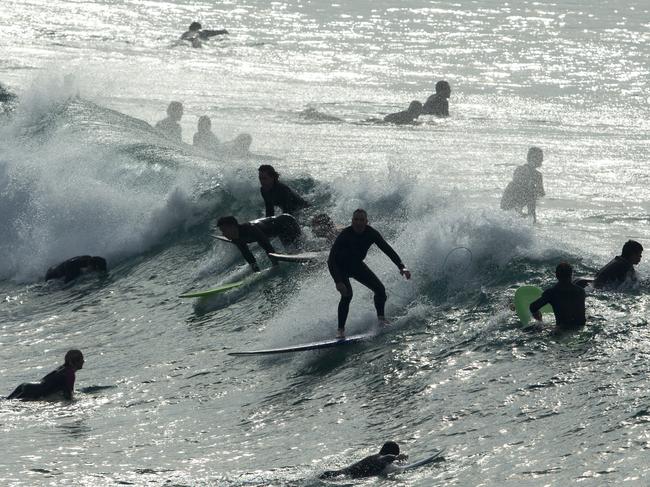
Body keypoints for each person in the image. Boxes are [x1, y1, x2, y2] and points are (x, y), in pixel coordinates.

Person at [328, 209, 411, 338]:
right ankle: (340, 330)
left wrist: (401, 267)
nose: (358, 223)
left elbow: (387, 249)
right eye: (356, 219)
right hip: (340, 267)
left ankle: (381, 320)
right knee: (347, 295)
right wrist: (338, 281)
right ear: (352, 221)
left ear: (366, 222)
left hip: (356, 266)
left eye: (361, 220)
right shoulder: (345, 234)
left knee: (380, 290)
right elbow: (331, 259)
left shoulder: (371, 233)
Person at [217, 214, 302, 271]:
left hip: (286, 222)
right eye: (222, 231)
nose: (223, 234)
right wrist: (257, 271)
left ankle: (309, 257)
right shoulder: (236, 238)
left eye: (224, 230)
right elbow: (247, 254)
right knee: (291, 249)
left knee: (296, 249)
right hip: (279, 230)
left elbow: (266, 245)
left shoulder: (250, 229)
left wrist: (275, 266)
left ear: (232, 227)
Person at [7, 350, 84, 401]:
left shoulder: (62, 369)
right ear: (72, 362)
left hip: (26, 386)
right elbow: (69, 396)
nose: (83, 361)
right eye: (80, 360)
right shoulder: (69, 374)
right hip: (33, 391)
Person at [529, 262, 586, 332]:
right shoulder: (581, 291)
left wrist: (540, 320)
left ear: (556, 275)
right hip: (581, 328)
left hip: (561, 330)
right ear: (571, 274)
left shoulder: (551, 293)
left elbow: (533, 307)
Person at [500, 146, 545, 223]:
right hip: (515, 197)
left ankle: (523, 217)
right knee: (532, 194)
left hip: (507, 198)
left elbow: (515, 184)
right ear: (533, 158)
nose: (542, 160)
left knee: (510, 216)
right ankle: (532, 221)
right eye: (540, 158)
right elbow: (541, 193)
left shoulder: (519, 169)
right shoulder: (537, 175)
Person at [320, 441, 407, 479]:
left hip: (342, 473)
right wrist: (395, 458)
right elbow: (384, 458)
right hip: (343, 476)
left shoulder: (374, 457)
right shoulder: (380, 458)